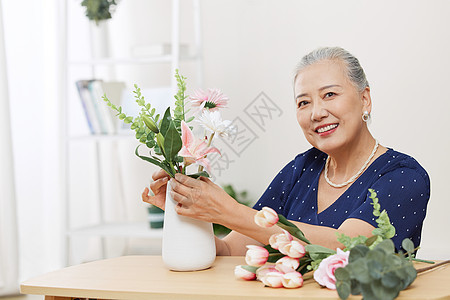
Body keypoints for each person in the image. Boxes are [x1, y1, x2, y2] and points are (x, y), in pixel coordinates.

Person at [142, 47, 430, 255]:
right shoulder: (301, 169)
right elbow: (230, 250)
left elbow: (348, 247)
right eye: (303, 102)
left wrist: (226, 210)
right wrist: (186, 213)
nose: (317, 112)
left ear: (364, 99)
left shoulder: (404, 177)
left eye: (330, 94)